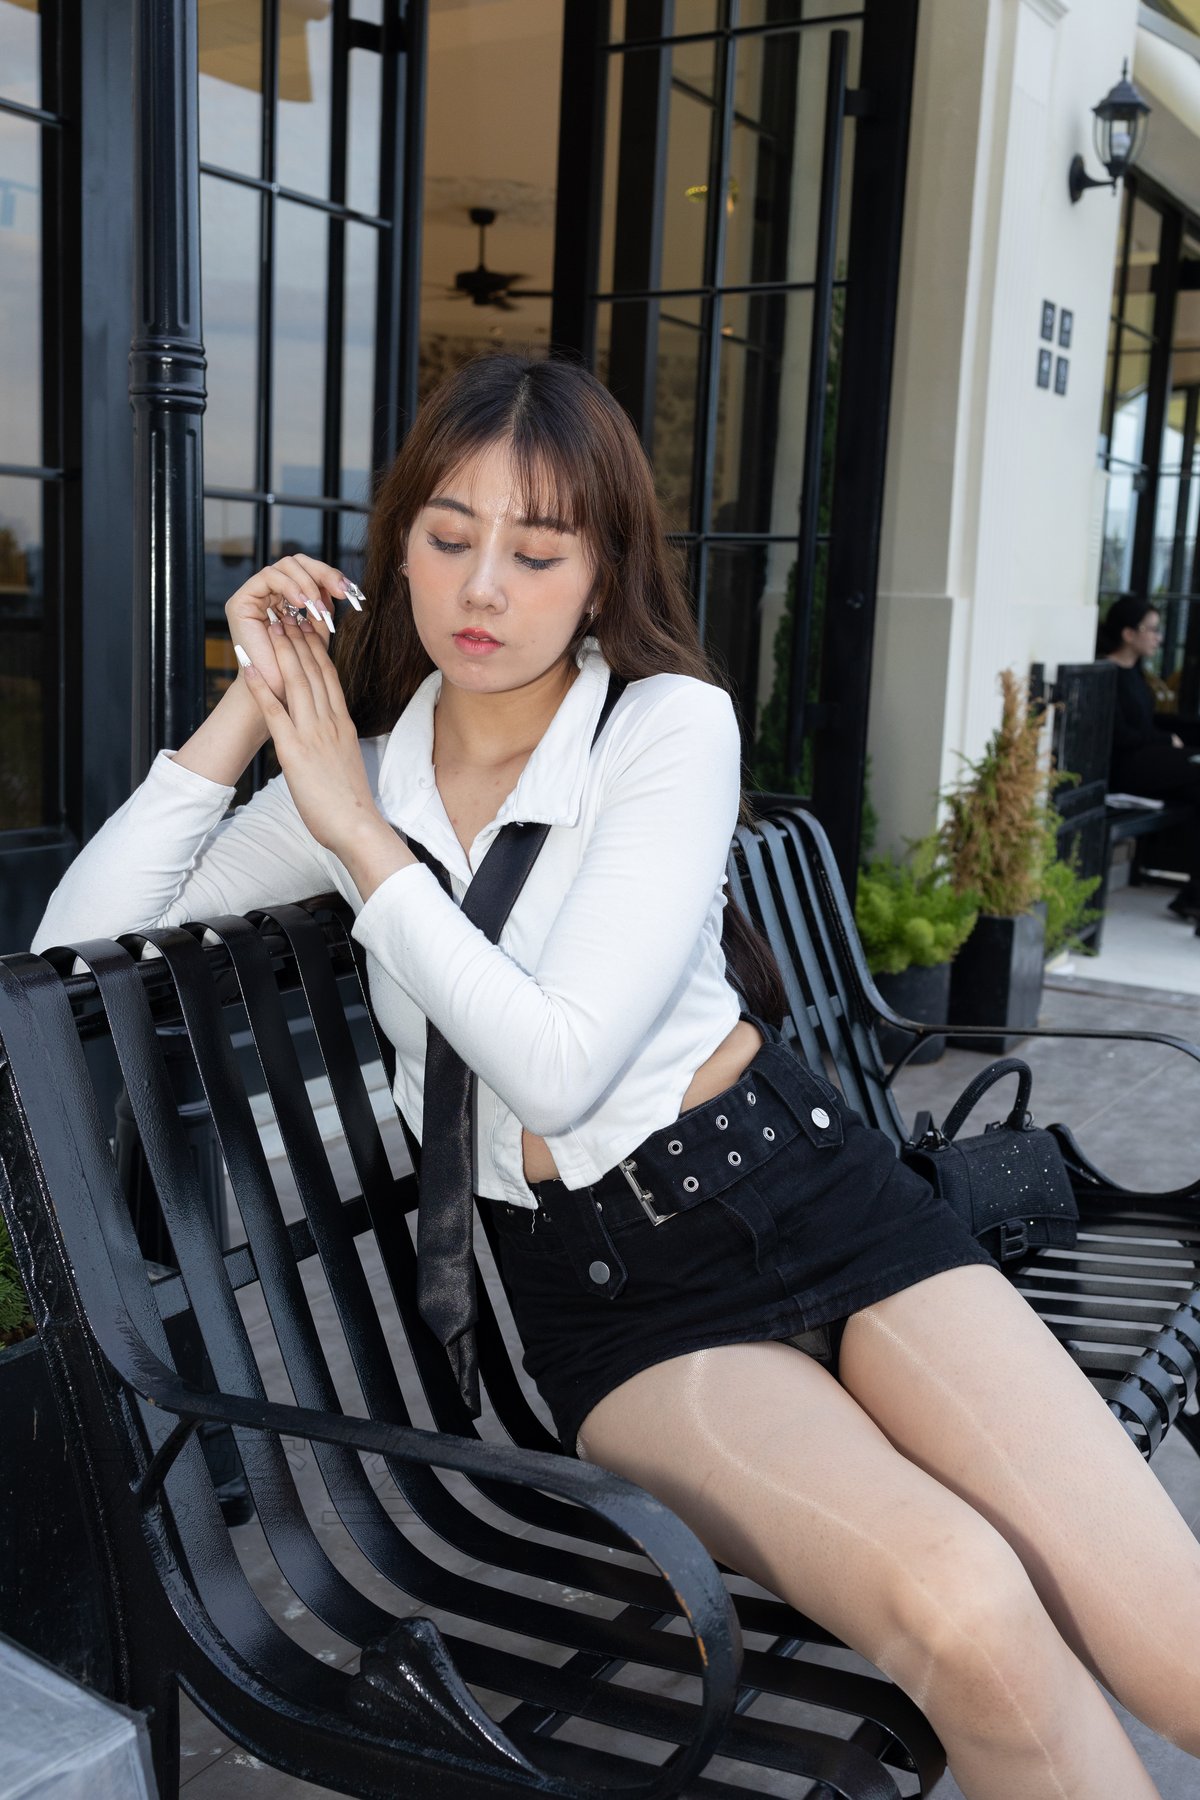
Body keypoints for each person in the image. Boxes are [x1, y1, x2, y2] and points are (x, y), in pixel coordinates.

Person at [32, 355, 1200, 1799]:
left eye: (538, 552)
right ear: (397, 550)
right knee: (967, 1611)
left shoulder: (665, 728)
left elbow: (563, 1060)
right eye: (449, 537)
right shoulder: (367, 773)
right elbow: (75, 946)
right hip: (618, 1301)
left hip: (815, 1199)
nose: (483, 588)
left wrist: (359, 844)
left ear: (601, 575)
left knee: (1172, 1638)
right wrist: (255, 705)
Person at [1098, 593, 1200, 921]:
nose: (1159, 637)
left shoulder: (1135, 674)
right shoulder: (1107, 674)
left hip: (1145, 762)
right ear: (1129, 634)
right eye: (1152, 629)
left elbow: (1147, 723)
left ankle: (1194, 895)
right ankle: (1194, 897)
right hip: (1124, 769)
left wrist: (1171, 737)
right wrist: (1165, 740)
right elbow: (1120, 735)